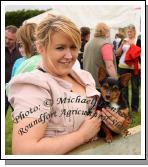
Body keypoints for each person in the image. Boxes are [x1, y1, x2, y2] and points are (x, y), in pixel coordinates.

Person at [8, 15, 128, 155]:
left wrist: (119, 126)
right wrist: (81, 135)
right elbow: (24, 151)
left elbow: (109, 121)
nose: (69, 56)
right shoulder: (33, 86)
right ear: (40, 47)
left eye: (73, 47)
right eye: (60, 48)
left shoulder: (85, 77)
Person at [83, 22, 117, 90]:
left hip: (88, 81)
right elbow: (109, 66)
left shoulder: (88, 44)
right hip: (101, 84)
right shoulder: (105, 45)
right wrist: (115, 81)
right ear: (106, 32)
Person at [115, 24, 141, 112]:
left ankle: (134, 108)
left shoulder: (139, 40)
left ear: (134, 32)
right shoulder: (123, 40)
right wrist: (122, 45)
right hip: (123, 66)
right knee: (123, 87)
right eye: (128, 31)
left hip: (135, 67)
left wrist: (131, 45)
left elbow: (140, 53)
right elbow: (117, 53)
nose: (129, 33)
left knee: (135, 88)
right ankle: (125, 107)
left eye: (131, 31)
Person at [5, 25, 21, 114]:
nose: (7, 41)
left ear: (16, 39)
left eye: (10, 39)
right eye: (5, 37)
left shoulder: (22, 49)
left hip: (17, 89)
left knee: (20, 115)